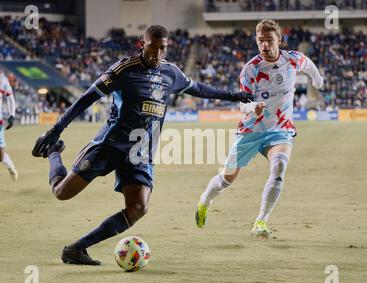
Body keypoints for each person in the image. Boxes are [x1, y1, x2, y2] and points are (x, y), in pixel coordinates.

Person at [31, 25, 253, 265]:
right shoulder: (123, 70)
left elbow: (199, 89)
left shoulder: (171, 73)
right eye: (152, 47)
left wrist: (233, 95)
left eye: (162, 49)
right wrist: (55, 131)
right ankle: (54, 154)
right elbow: (87, 98)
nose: (157, 54)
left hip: (140, 153)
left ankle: (77, 249)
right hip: (110, 145)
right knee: (62, 193)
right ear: (142, 44)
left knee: (138, 207)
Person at [195, 19, 324, 239]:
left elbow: (308, 65)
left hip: (280, 129)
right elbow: (242, 102)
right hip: (251, 130)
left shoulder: (293, 59)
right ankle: (204, 201)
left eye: (269, 40)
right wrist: (253, 107)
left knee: (280, 166)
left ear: (279, 40)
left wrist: (318, 80)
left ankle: (261, 221)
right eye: (260, 41)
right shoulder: (251, 69)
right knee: (227, 178)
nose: (264, 45)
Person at [0, 69, 18, 181]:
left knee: (0, 155)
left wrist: (12, 115)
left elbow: (10, 98)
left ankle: (10, 166)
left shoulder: (2, 80)